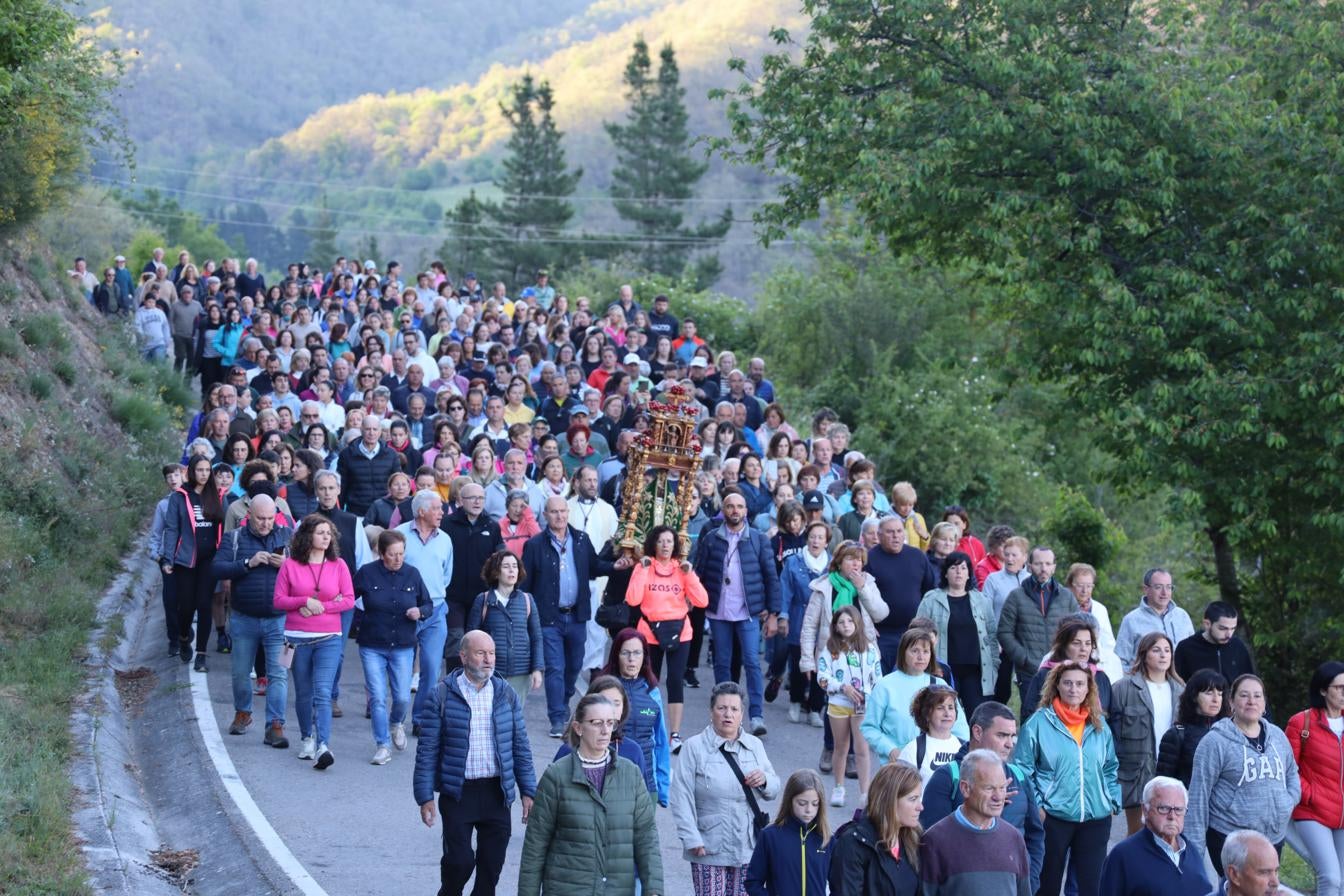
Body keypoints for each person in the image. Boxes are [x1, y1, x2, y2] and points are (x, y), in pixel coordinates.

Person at [414, 631, 537, 896]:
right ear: (463, 656)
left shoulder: (506, 694)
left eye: (491, 653)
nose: (488, 659)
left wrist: (529, 791)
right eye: (481, 653)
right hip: (459, 793)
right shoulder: (441, 696)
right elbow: (427, 751)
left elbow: (520, 746)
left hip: (497, 792)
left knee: (490, 868)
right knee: (460, 862)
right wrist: (425, 797)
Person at [518, 693, 663, 896]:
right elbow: (535, 846)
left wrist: (654, 889)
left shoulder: (630, 774)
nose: (605, 731)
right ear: (578, 728)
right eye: (596, 723)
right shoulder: (556, 776)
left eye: (610, 723)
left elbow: (647, 837)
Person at [522, 495, 630, 737]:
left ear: (568, 513)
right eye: (554, 512)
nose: (559, 516)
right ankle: (558, 717)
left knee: (574, 666)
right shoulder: (535, 545)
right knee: (555, 668)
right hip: (549, 617)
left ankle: (565, 698)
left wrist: (614, 567)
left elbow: (594, 566)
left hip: (577, 615)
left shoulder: (581, 539)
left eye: (563, 511)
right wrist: (525, 614)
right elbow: (526, 584)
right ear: (545, 515)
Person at [1013, 659, 1122, 896]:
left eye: (1079, 684)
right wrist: (1038, 807)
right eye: (1068, 683)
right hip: (1054, 818)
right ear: (1057, 686)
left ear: (1088, 689)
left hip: (1096, 817)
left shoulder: (1100, 724)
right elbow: (1022, 770)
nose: (1074, 689)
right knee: (1047, 886)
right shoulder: (1038, 724)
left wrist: (1112, 798)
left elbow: (1110, 766)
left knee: (1091, 888)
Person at [919, 701, 1045, 892]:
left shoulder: (1020, 777)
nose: (1010, 743)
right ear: (977, 732)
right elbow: (932, 844)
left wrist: (1029, 880)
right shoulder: (947, 777)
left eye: (1012, 736)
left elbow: (1035, 836)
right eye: (1002, 735)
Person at [671, 682, 782, 896]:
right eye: (721, 708)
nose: (727, 714)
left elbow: (774, 788)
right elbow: (680, 797)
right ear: (711, 711)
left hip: (748, 847)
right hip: (708, 845)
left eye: (734, 709)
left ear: (742, 714)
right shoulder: (694, 748)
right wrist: (690, 837)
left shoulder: (754, 745)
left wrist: (765, 780)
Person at [1187, 673, 1300, 874]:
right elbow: (1199, 796)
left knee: (1264, 889)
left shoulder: (1278, 737)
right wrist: (1194, 851)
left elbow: (1292, 773)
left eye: (1257, 696)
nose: (1251, 701)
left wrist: (1288, 802)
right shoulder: (1215, 742)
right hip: (1229, 836)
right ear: (1231, 702)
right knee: (1236, 890)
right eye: (1244, 695)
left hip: (1273, 836)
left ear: (1264, 704)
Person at [693, 490, 782, 736]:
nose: (735, 510)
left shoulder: (758, 539)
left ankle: (756, 715)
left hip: (748, 612)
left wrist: (774, 613)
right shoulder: (712, 538)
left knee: (752, 662)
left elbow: (771, 577)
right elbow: (699, 573)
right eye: (730, 506)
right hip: (719, 611)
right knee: (722, 663)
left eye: (739, 506)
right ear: (723, 510)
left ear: (746, 510)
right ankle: (724, 714)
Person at [209, 494, 292, 747]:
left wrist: (286, 565)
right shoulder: (234, 538)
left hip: (279, 620)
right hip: (244, 618)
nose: (266, 523)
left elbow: (306, 571)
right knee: (240, 673)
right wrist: (248, 562)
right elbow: (218, 568)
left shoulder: (288, 536)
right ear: (249, 516)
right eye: (260, 518)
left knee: (278, 674)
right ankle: (243, 712)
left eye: (269, 518)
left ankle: (275, 725)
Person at [273, 514, 354, 769]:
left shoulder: (338, 564)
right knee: (304, 693)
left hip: (329, 637)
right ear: (307, 536)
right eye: (320, 532)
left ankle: (323, 746)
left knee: (322, 692)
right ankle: (306, 737)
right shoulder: (290, 566)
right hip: (298, 639)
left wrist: (321, 607)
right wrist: (303, 601)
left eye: (328, 533)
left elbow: (349, 600)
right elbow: (278, 600)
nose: (326, 537)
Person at [354, 529, 433, 765]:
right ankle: (382, 745)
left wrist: (420, 612)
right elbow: (347, 597)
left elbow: (428, 604)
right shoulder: (367, 573)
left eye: (401, 554)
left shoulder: (412, 574)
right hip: (372, 644)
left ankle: (397, 722)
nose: (398, 559)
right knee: (377, 697)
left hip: (403, 645)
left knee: (401, 698)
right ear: (381, 553)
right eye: (393, 554)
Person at [625, 525, 709, 748]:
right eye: (661, 541)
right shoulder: (645, 566)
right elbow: (632, 599)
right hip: (649, 632)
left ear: (675, 545)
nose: (665, 545)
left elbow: (702, 601)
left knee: (675, 681)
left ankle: (674, 734)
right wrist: (642, 570)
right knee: (649, 682)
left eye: (669, 541)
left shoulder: (681, 569)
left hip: (680, 632)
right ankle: (646, 727)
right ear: (653, 543)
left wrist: (689, 574)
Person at [919, 749, 1032, 896]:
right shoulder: (934, 841)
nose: (998, 797)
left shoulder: (1014, 838)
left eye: (1002, 788)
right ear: (965, 788)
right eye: (989, 788)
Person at [1111, 632, 1185, 834]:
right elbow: (1112, 734)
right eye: (1156, 650)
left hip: (1170, 768)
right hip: (1135, 771)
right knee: (1137, 831)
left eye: (1167, 650)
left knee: (1166, 830)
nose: (1163, 655)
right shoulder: (1123, 688)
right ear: (1144, 654)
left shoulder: (1181, 691)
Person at [862, 628, 969, 765]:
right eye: (915, 651)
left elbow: (960, 728)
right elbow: (869, 727)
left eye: (926, 652)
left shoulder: (939, 685)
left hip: (935, 763)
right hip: (898, 764)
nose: (921, 657)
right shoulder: (885, 686)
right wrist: (890, 749)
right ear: (903, 652)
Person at [1284, 661, 1344, 896]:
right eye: (1338, 687)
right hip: (1313, 811)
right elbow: (1288, 769)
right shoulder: (1301, 722)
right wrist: (1311, 795)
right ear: (1322, 690)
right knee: (1329, 878)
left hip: (1341, 812)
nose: (1343, 692)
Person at [396, 491, 454, 732]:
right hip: (403, 612)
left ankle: (420, 719)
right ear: (421, 512)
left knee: (431, 668)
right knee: (400, 668)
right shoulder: (399, 535)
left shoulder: (445, 540)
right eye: (437, 508)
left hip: (435, 611)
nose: (442, 512)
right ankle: (396, 717)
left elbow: (446, 575)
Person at [161, 454, 225, 670]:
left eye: (208, 470)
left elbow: (223, 530)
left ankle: (201, 654)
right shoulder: (179, 497)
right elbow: (171, 529)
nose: (204, 474)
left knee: (204, 604)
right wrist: (168, 558)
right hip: (186, 559)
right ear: (190, 472)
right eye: (200, 470)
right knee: (186, 606)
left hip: (209, 559)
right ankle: (183, 636)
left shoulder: (218, 495)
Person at [1097, 776, 1212, 896]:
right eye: (1163, 808)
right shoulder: (1122, 855)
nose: (1172, 816)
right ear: (1145, 810)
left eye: (1178, 809)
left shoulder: (1192, 852)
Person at [916, 551, 998, 715]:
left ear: (969, 573)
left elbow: (991, 636)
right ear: (945, 573)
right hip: (943, 669)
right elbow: (918, 633)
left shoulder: (982, 600)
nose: (959, 572)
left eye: (963, 568)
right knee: (943, 714)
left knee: (977, 716)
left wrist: (994, 664)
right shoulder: (931, 599)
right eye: (954, 568)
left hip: (976, 671)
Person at [817, 605, 881, 806]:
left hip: (862, 705)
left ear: (857, 623)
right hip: (838, 704)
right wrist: (842, 687)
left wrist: (869, 696)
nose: (846, 625)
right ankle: (838, 787)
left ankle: (865, 793)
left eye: (850, 621)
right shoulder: (830, 649)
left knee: (862, 749)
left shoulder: (869, 648)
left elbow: (877, 677)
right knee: (841, 747)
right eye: (841, 622)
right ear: (835, 626)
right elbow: (822, 677)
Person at [828, 761, 923, 896]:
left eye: (919, 798)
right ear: (889, 801)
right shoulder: (852, 844)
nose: (920, 807)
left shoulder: (913, 839)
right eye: (913, 799)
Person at [997, 545, 1080, 696]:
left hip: (1062, 669)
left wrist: (1067, 658)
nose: (1043, 568)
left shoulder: (1067, 597)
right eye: (1038, 564)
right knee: (1031, 714)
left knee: (1061, 716)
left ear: (1054, 567)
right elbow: (1004, 632)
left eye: (1048, 564)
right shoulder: (1016, 597)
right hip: (1029, 672)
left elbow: (1078, 631)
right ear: (1029, 566)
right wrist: (1024, 659)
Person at [602, 630, 672, 804]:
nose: (631, 659)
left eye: (637, 653)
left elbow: (661, 742)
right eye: (625, 653)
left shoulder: (652, 692)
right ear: (616, 655)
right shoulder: (603, 688)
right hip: (607, 781)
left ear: (645, 657)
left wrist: (662, 788)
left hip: (646, 783)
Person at [467, 550, 543, 700]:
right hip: (489, 671)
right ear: (496, 572)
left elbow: (536, 637)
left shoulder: (527, 600)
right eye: (506, 566)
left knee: (514, 718)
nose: (512, 570)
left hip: (520, 672)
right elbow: (471, 638)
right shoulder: (482, 600)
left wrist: (537, 669)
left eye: (515, 566)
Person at [865, 516, 936, 673]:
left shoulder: (918, 556)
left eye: (899, 531)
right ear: (879, 535)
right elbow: (860, 595)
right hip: (880, 634)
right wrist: (866, 624)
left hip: (914, 633)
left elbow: (930, 591)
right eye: (890, 532)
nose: (896, 536)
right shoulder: (869, 558)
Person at [744, 769, 832, 896]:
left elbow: (839, 885)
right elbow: (752, 882)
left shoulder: (827, 838)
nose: (809, 810)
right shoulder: (770, 836)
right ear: (789, 801)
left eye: (815, 804)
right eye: (802, 803)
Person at [778, 520, 831, 728]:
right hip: (799, 614)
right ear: (806, 539)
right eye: (812, 536)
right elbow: (786, 590)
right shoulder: (794, 562)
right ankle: (795, 700)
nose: (816, 541)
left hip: (825, 620)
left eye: (820, 537)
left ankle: (816, 708)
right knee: (799, 660)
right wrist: (783, 616)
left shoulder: (832, 565)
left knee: (822, 664)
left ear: (826, 542)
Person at [1020, 614, 1116, 721]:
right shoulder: (1045, 675)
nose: (1083, 649)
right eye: (1076, 643)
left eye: (1088, 643)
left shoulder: (1100, 677)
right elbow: (1029, 715)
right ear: (1063, 645)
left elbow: (1111, 717)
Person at [1157, 668, 1229, 787]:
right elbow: (1163, 785)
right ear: (1194, 696)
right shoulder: (1177, 735)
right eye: (1209, 693)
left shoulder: (1230, 733)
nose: (1216, 699)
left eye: (1220, 694)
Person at [1114, 567, 1195, 670]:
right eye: (1158, 587)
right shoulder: (1131, 620)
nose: (1164, 593)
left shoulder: (1182, 616)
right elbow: (1120, 661)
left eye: (1169, 587)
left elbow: (1193, 652)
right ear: (1146, 589)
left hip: (1182, 683)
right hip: (1144, 683)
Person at [898, 685, 968, 789]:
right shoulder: (912, 750)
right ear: (926, 714)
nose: (947, 713)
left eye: (951, 707)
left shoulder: (965, 748)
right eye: (940, 708)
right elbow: (901, 792)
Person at [1064, 561, 1123, 682]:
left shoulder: (1100, 609)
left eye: (1089, 585)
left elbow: (1109, 642)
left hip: (1097, 665)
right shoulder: (1062, 607)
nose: (1085, 590)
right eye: (1080, 585)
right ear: (1070, 585)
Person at [1174, 601, 1256, 684]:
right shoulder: (1186, 648)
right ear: (1207, 624)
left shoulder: (1238, 646)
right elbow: (1178, 686)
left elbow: (1248, 682)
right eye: (1223, 628)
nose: (1229, 635)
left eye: (1232, 628)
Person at [336, 415, 402, 516]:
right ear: (361, 430)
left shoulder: (391, 454)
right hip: (356, 511)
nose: (371, 433)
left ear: (380, 431)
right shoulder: (346, 454)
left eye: (375, 429)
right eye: (368, 429)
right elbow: (342, 486)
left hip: (385, 511)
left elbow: (397, 483)